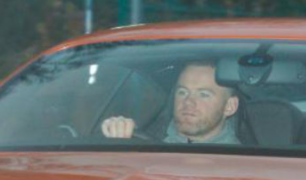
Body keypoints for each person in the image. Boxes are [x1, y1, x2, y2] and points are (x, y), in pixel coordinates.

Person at [101, 62, 240, 144]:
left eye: (203, 94)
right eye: (182, 92)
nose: (188, 103)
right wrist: (122, 135)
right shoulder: (149, 138)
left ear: (230, 107)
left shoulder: (240, 166)